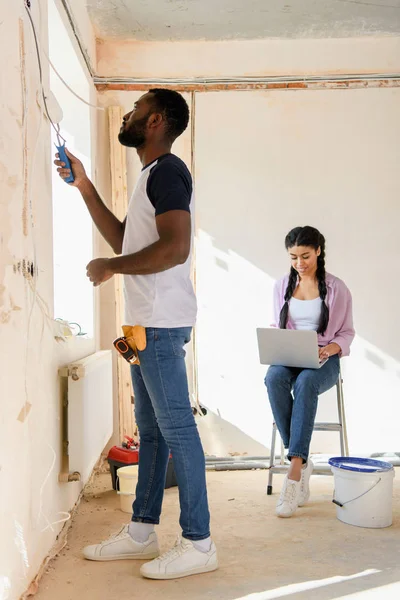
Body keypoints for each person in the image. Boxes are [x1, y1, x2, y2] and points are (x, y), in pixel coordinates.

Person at [54, 89, 217, 579]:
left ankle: (199, 542)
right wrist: (84, 186)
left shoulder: (168, 170)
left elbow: (175, 248)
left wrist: (111, 267)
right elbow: (128, 238)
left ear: (155, 121)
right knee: (150, 433)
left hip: (162, 325)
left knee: (177, 432)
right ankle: (141, 533)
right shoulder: (150, 175)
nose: (127, 113)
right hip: (147, 326)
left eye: (136, 108)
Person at [264, 226, 355, 518]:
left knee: (305, 382)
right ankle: (302, 460)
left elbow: (346, 333)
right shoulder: (281, 286)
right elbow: (276, 326)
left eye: (305, 255)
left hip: (324, 358)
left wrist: (329, 349)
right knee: (273, 377)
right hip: (291, 354)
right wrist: (274, 340)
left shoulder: (337, 288)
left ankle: (293, 473)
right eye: (293, 257)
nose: (299, 263)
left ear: (318, 250)